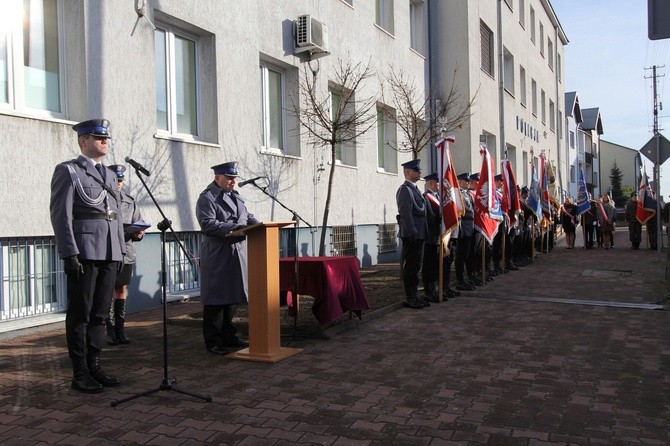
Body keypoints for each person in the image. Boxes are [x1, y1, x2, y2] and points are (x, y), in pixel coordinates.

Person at [50, 118, 125, 393]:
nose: (104, 141)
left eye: (106, 137)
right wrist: (69, 253)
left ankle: (95, 365)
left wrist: (118, 252)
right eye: (98, 137)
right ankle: (79, 371)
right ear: (83, 140)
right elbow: (61, 215)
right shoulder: (69, 171)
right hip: (85, 252)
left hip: (108, 252)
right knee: (80, 313)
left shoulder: (108, 174)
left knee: (100, 313)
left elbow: (115, 217)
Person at [196, 161, 261, 355]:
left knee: (232, 297)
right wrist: (231, 228)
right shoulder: (207, 198)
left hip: (237, 252)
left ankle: (229, 336)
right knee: (216, 299)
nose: (233, 182)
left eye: (234, 178)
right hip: (218, 252)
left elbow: (247, 216)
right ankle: (214, 341)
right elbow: (207, 224)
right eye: (229, 178)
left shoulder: (236, 197)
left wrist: (260, 226)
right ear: (218, 178)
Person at [105, 165, 145, 345]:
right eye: (115, 181)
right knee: (106, 291)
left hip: (126, 253)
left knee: (121, 289)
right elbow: (107, 226)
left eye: (121, 181)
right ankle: (109, 329)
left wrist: (139, 233)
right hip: (108, 252)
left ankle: (120, 328)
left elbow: (139, 222)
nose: (118, 184)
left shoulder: (130, 201)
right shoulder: (103, 200)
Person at [396, 159, 427, 309]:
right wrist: (413, 232)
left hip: (419, 232)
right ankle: (410, 296)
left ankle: (415, 294)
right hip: (412, 234)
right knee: (411, 267)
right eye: (416, 170)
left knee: (416, 266)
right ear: (408, 172)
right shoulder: (405, 190)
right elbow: (406, 213)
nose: (419, 173)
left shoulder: (415, 189)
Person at [454, 172, 475, 291]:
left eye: (469, 181)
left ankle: (467, 276)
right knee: (461, 255)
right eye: (466, 181)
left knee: (468, 254)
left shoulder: (468, 194)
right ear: (460, 182)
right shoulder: (459, 194)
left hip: (469, 227)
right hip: (463, 228)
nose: (468, 183)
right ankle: (459, 279)